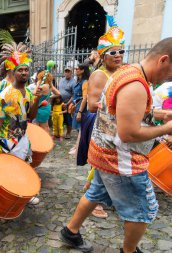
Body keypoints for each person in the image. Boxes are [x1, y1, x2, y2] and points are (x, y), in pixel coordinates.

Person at [59, 37, 172, 253]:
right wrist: (167, 128)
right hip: (121, 160)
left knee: (95, 193)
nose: (168, 78)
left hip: (105, 152)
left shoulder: (125, 72)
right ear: (163, 60)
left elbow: (121, 110)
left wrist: (160, 113)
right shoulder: (136, 84)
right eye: (170, 72)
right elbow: (129, 133)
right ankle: (128, 251)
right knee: (145, 209)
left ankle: (70, 231)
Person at [78, 21, 126, 219]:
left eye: (120, 51)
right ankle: (93, 200)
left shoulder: (121, 72)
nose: (118, 56)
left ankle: (99, 196)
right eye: (113, 53)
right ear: (104, 55)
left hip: (115, 125)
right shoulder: (99, 75)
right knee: (98, 163)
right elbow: (91, 105)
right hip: (100, 124)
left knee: (107, 164)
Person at [0, 41, 42, 205]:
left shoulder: (28, 93)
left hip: (23, 138)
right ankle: (6, 198)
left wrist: (37, 98)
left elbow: (31, 116)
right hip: (7, 141)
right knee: (8, 172)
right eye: (20, 70)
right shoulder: (5, 94)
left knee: (25, 168)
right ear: (14, 71)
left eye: (26, 70)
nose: (24, 73)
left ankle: (24, 194)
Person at [68, 64, 90, 155]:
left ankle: (79, 148)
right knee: (78, 129)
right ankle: (78, 145)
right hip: (77, 107)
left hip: (82, 108)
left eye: (77, 69)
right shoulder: (78, 81)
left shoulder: (85, 82)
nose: (75, 70)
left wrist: (80, 112)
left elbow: (85, 98)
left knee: (82, 129)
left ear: (82, 70)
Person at [58, 67, 75, 139]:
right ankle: (59, 132)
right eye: (66, 71)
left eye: (69, 72)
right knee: (60, 118)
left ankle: (68, 133)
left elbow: (74, 95)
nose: (67, 73)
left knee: (68, 119)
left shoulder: (73, 82)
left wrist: (67, 103)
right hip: (60, 103)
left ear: (71, 73)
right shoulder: (61, 80)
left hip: (68, 103)